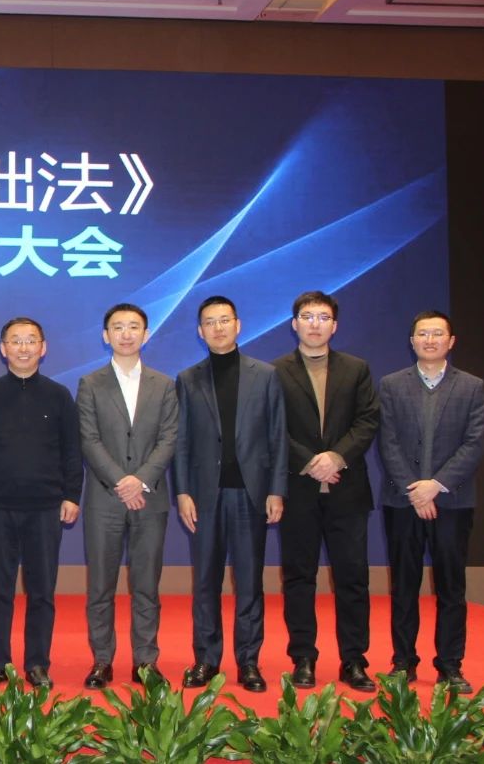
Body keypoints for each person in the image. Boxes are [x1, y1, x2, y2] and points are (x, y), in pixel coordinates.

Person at [172, 296, 286, 693]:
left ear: (238, 325)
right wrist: (182, 491)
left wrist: (276, 490)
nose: (218, 328)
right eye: (210, 322)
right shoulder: (188, 379)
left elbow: (277, 436)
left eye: (224, 320)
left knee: (249, 581)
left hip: (250, 494)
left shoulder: (265, 375)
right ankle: (206, 659)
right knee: (205, 581)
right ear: (200, 331)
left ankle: (249, 662)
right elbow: (181, 441)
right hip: (205, 495)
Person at [273, 291, 380, 692]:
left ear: (334, 325)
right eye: (307, 316)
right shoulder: (275, 372)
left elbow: (368, 420)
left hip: (347, 491)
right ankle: (303, 657)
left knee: (353, 578)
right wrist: (309, 460)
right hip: (298, 489)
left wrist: (336, 456)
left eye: (323, 317)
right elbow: (272, 427)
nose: (314, 324)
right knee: (299, 577)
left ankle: (354, 660)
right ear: (294, 324)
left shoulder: (356, 369)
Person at [378, 311, 484, 694]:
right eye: (422, 334)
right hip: (403, 501)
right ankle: (403, 662)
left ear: (451, 341)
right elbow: (387, 442)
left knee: (451, 588)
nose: (429, 340)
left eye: (437, 333)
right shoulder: (391, 385)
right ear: (412, 341)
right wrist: (415, 489)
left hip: (452, 503)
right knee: (403, 586)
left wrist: (436, 485)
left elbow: (474, 444)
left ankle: (450, 665)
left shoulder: (471, 386)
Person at [0, 317, 83, 690]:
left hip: (45, 508)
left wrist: (72, 495)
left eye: (31, 340)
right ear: (3, 348)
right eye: (15, 340)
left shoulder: (59, 395)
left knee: (42, 591)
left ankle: (38, 663)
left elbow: (72, 451)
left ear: (43, 347)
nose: (23, 348)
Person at [78, 303, 177, 689]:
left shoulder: (164, 384)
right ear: (106, 336)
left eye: (134, 327)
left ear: (146, 334)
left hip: (150, 499)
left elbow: (169, 438)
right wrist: (122, 481)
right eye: (117, 327)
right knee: (100, 586)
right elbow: (89, 439)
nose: (126, 334)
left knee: (146, 584)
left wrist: (141, 480)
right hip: (105, 499)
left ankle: (145, 661)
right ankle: (102, 660)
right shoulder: (90, 383)